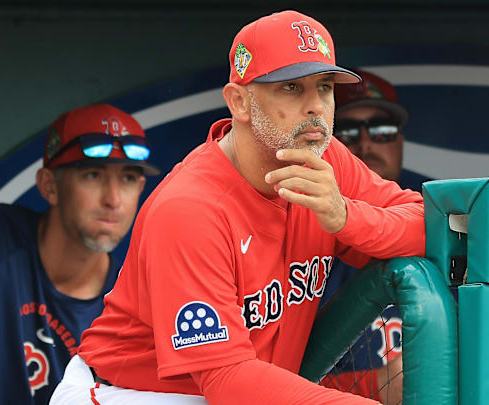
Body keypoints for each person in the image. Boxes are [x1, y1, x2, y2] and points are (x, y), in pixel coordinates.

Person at [50, 10, 425, 405]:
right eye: (292, 88)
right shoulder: (190, 208)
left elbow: (425, 223)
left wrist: (347, 217)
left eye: (325, 86)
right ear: (240, 102)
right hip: (133, 393)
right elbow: (226, 378)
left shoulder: (326, 159)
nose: (316, 106)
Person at [0, 103, 160, 405]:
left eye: (128, 178)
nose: (113, 199)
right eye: (93, 175)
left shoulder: (136, 304)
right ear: (49, 186)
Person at [318, 68, 409, 404]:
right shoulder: (304, 239)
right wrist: (377, 385)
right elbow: (264, 379)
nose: (366, 143)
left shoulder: (433, 229)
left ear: (401, 141)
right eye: (348, 131)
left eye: (383, 130)